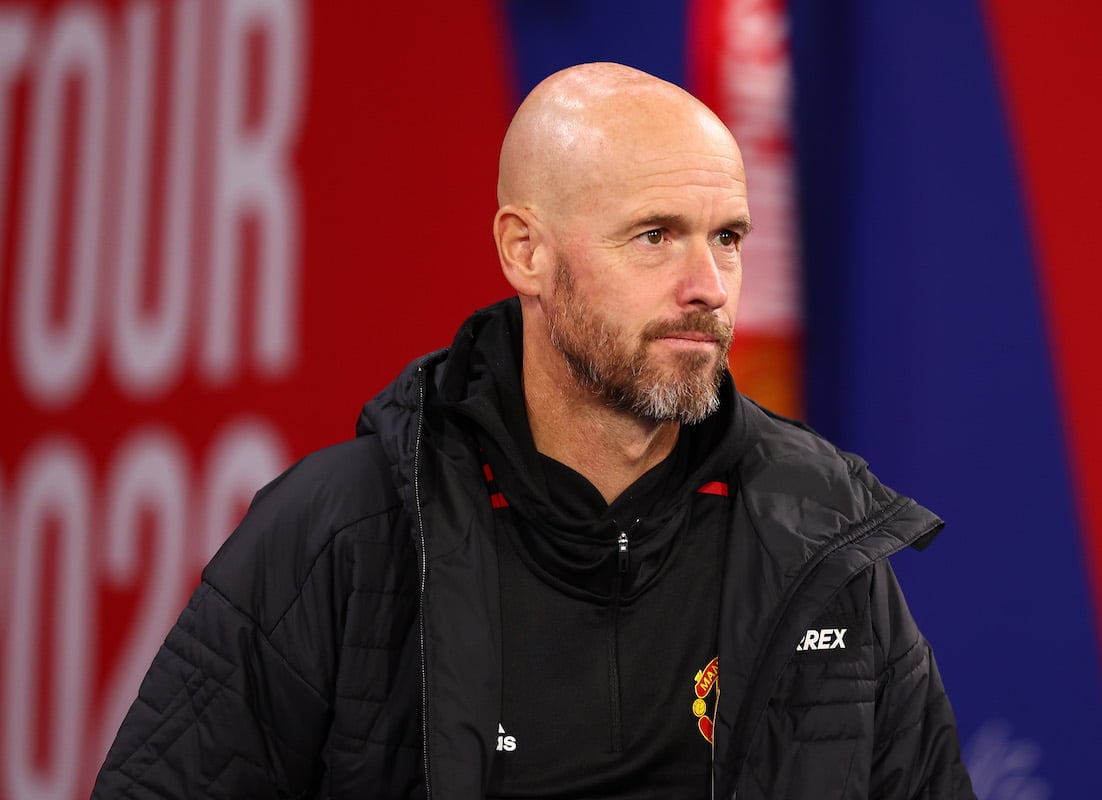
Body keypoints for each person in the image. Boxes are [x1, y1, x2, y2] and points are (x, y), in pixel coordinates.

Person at [92, 62, 975, 799]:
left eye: (729, 237)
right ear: (525, 251)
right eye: (655, 236)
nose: (708, 286)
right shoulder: (342, 533)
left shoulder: (821, 538)